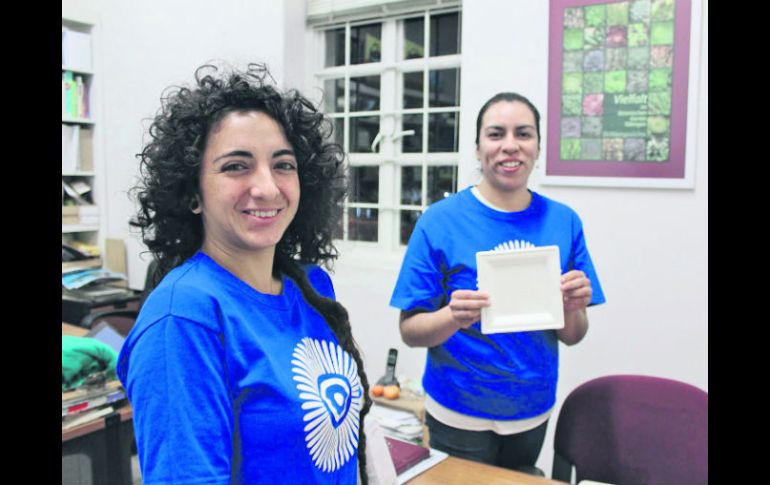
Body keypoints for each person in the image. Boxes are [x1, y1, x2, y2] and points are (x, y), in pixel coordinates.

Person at [117, 63, 372, 484]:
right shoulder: (183, 319)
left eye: (283, 165)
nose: (267, 188)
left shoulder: (309, 285)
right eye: (237, 166)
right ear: (192, 193)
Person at [389, 92, 606, 475]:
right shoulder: (440, 221)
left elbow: (572, 335)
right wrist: (452, 317)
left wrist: (572, 307)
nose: (510, 145)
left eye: (523, 134)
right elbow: (410, 331)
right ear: (477, 148)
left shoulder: (563, 221)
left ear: (537, 147)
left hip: (531, 407)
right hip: (458, 408)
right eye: (495, 134)